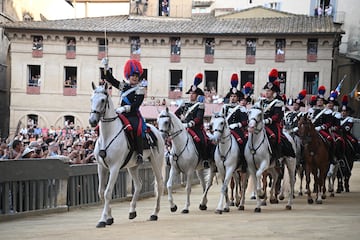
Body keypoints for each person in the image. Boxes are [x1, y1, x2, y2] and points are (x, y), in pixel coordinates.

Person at [102, 58, 146, 164]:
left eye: (136, 76)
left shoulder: (140, 89)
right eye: (133, 76)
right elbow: (111, 79)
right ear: (129, 76)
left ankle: (139, 153)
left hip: (133, 115)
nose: (134, 78)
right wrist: (106, 67)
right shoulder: (124, 86)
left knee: (137, 129)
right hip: (121, 114)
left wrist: (125, 108)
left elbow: (136, 104)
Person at [175, 73, 211, 168]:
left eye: (193, 93)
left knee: (202, 141)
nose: (191, 95)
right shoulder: (184, 104)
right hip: (184, 128)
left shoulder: (200, 105)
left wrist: (191, 123)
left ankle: (204, 159)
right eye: (190, 93)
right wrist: (180, 119)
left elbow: (199, 118)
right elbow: (176, 114)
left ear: (197, 95)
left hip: (195, 128)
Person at [262, 68, 295, 161]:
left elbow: (277, 116)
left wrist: (268, 120)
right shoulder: (261, 102)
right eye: (266, 90)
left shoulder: (278, 102)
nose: (267, 92)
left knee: (275, 137)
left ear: (273, 92)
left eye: (269, 91)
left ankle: (277, 157)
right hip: (261, 124)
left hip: (272, 125)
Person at [221, 73, 248, 172]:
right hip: (225, 129)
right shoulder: (224, 107)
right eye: (231, 96)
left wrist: (237, 124)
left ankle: (243, 163)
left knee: (243, 143)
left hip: (236, 130)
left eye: (235, 96)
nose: (232, 98)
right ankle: (214, 162)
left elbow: (245, 122)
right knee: (214, 142)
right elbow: (220, 118)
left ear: (238, 98)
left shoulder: (241, 108)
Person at [307, 86, 336, 175]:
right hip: (313, 131)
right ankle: (303, 158)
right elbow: (309, 120)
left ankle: (332, 158)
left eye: (321, 101)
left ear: (323, 102)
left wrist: (321, 127)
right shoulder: (311, 110)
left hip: (323, 130)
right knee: (304, 141)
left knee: (331, 140)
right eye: (318, 100)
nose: (319, 102)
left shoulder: (327, 112)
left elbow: (329, 123)